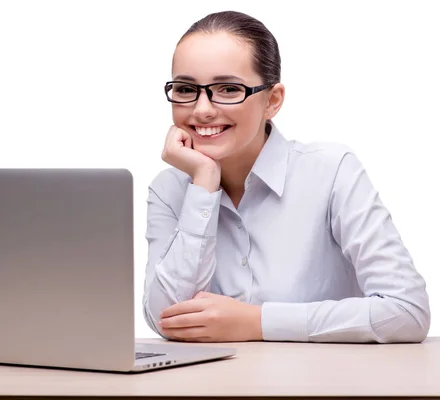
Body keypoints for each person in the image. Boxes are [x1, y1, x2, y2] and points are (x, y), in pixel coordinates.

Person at [142, 10, 430, 344]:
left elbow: (407, 311)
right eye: (186, 88)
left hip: (323, 388)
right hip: (210, 390)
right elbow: (167, 318)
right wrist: (204, 183)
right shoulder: (170, 190)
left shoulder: (331, 171)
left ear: (272, 101)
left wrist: (258, 322)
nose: (202, 109)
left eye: (228, 89)